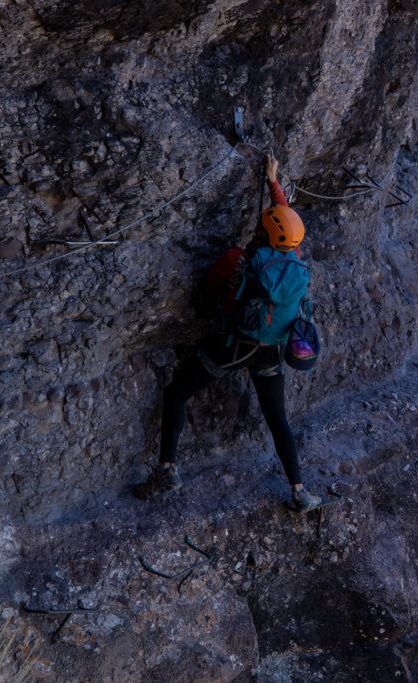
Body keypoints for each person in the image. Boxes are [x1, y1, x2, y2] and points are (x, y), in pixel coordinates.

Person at [133, 154, 322, 512]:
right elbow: (284, 222)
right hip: (272, 350)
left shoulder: (239, 259)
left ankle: (167, 470)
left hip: (234, 345)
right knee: (277, 419)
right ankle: (299, 490)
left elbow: (210, 290)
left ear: (263, 230)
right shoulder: (294, 260)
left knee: (177, 391)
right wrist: (273, 182)